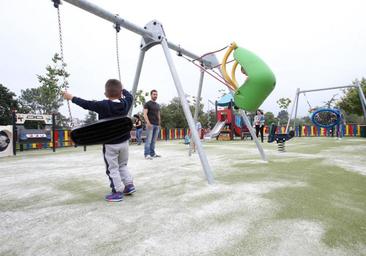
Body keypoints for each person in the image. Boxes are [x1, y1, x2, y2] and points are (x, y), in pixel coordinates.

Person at [62, 79, 135, 202]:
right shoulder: (125, 103)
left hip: (110, 144)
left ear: (106, 94)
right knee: (122, 165)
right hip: (124, 143)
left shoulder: (102, 105)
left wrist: (71, 97)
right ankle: (129, 185)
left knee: (112, 168)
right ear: (120, 92)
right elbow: (130, 96)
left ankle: (117, 191)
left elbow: (86, 104)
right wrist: (123, 90)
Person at [143, 89, 161, 159]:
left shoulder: (157, 105)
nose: (155, 96)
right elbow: (144, 114)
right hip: (150, 125)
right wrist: (148, 123)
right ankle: (147, 154)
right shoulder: (147, 104)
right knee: (148, 140)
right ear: (151, 95)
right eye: (154, 94)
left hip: (156, 125)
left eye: (156, 94)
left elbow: (158, 115)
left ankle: (152, 153)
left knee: (153, 141)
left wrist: (159, 124)